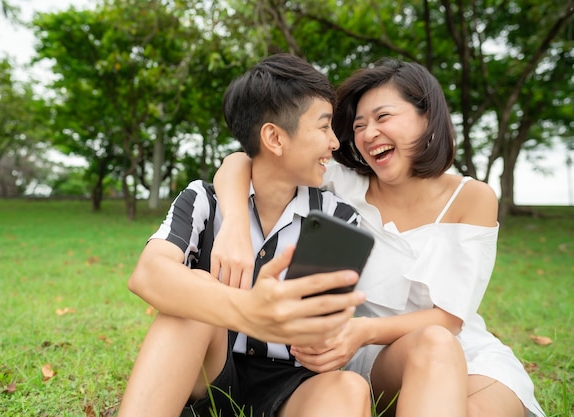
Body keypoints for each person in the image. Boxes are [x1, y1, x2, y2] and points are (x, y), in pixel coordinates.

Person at [211, 58, 546, 417]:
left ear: (427, 116)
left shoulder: (473, 197)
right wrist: (232, 224)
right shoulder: (341, 183)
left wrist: (361, 330)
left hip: (464, 351)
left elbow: (449, 320)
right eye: (359, 125)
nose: (368, 133)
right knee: (432, 348)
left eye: (383, 117)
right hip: (374, 355)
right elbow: (242, 161)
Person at [117, 53, 372, 417]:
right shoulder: (205, 200)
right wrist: (247, 312)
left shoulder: (336, 217)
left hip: (293, 385)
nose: (334, 142)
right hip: (212, 372)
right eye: (323, 126)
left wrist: (330, 341)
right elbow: (149, 274)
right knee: (191, 303)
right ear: (275, 137)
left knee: (349, 388)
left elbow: (327, 325)